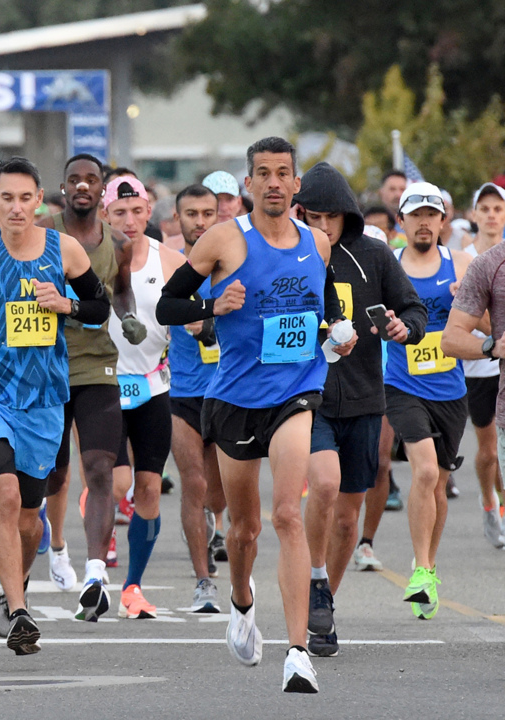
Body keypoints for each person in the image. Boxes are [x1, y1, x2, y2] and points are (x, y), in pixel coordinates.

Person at [157, 137, 355, 693]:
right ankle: (241, 600)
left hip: (297, 391)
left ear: (296, 186)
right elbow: (170, 305)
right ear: (248, 184)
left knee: (288, 515)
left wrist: (338, 334)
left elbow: (330, 311)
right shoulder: (224, 238)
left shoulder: (317, 243)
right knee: (244, 530)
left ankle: (297, 653)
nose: (273, 182)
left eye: (282, 173)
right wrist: (211, 306)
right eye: (262, 173)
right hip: (236, 398)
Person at [0, 156, 108, 654]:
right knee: (4, 494)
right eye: (5, 198)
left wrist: (67, 305)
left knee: (30, 514)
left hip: (45, 399)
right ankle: (20, 613)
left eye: (24, 198)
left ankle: (15, 591)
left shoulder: (65, 250)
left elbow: (100, 308)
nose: (15, 207)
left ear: (38, 201)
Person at [293, 162, 427, 657]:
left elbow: (414, 309)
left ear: (347, 215)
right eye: (313, 216)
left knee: (349, 518)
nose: (322, 227)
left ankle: (323, 598)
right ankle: (311, 577)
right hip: (309, 395)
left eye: (331, 217)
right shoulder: (289, 253)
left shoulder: (373, 254)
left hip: (367, 397)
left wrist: (403, 327)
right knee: (323, 484)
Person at [37, 154, 142, 608]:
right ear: (63, 187)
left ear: (103, 190)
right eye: (74, 179)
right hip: (45, 362)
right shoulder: (42, 230)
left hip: (97, 363)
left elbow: (119, 289)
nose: (83, 186)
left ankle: (95, 574)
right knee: (54, 473)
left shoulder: (118, 243)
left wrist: (130, 315)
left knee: (99, 469)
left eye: (92, 180)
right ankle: (57, 544)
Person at [380, 183, 470, 619]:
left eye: (431, 214)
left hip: (450, 389)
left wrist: (465, 302)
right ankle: (420, 572)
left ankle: (427, 567)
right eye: (415, 215)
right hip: (402, 384)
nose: (423, 222)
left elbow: (489, 323)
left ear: (443, 221)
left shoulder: (463, 266)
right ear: (401, 221)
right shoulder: (390, 266)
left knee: (437, 485)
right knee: (426, 470)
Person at [102, 175, 187, 619]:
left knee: (149, 488)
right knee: (117, 484)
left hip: (154, 383)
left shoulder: (169, 259)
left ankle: (132, 586)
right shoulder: (89, 259)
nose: (129, 221)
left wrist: (198, 322)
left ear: (149, 211)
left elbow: (190, 309)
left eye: (137, 212)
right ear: (105, 215)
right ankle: (97, 559)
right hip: (102, 383)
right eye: (120, 213)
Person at [165, 184, 226, 612]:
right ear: (177, 218)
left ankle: (213, 521)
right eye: (191, 214)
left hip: (229, 392)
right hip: (183, 392)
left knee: (220, 494)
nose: (200, 221)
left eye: (207, 213)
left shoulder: (232, 266)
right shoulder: (171, 267)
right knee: (194, 484)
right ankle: (203, 581)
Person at [452, 183, 505, 547]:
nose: (490, 215)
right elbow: (458, 328)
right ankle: (489, 501)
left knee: (490, 449)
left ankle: (495, 506)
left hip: (492, 370)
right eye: (484, 208)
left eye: (497, 209)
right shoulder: (464, 260)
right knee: (486, 453)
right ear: (473, 215)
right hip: (467, 367)